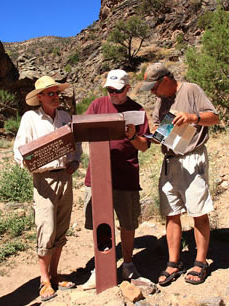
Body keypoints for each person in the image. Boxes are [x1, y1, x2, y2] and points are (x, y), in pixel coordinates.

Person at [140, 63, 219, 286]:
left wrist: (193, 117)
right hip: (170, 160)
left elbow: (214, 117)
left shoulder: (191, 90)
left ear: (165, 80)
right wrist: (155, 135)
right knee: (171, 212)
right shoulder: (160, 101)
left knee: (198, 210)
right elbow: (158, 128)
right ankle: (173, 263)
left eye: (154, 88)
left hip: (192, 158)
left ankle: (200, 262)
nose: (153, 93)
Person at [13, 76, 82, 301]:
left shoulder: (64, 117)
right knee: (46, 227)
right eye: (50, 93)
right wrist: (29, 161)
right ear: (39, 97)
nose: (55, 97)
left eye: (56, 93)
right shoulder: (30, 118)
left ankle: (54, 274)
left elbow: (76, 142)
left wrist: (75, 160)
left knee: (61, 227)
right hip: (44, 180)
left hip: (65, 177)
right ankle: (44, 280)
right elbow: (19, 150)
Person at [82, 69, 150, 289]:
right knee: (100, 223)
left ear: (128, 89)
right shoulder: (97, 105)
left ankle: (128, 264)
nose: (113, 94)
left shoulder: (138, 111)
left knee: (128, 223)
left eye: (117, 90)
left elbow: (145, 146)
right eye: (109, 89)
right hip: (99, 175)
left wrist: (132, 136)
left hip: (126, 175)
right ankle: (101, 267)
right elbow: (83, 132)